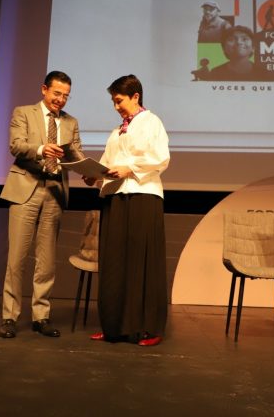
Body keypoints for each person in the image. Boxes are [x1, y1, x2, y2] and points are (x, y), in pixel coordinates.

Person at [0, 71, 84, 339]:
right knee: (17, 259)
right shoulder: (23, 112)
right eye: (57, 93)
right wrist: (40, 149)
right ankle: (10, 316)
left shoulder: (71, 122)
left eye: (66, 96)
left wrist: (88, 170)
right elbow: (16, 145)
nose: (61, 100)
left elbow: (76, 153)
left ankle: (41, 316)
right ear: (44, 89)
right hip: (27, 188)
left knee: (46, 261)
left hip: (55, 191)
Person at [86, 74, 170, 346]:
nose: (116, 106)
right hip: (115, 196)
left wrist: (130, 168)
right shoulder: (117, 131)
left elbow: (161, 158)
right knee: (114, 262)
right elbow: (108, 163)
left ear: (135, 96)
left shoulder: (152, 122)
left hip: (143, 195)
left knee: (141, 262)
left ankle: (148, 328)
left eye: (119, 100)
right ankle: (114, 326)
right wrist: (94, 175)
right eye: (113, 101)